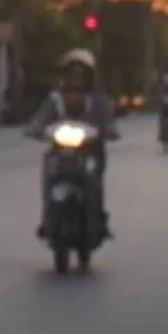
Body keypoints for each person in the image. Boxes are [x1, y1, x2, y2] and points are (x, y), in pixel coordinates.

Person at [27, 48, 117, 239]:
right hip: (60, 150)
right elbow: (41, 117)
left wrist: (109, 130)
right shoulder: (55, 99)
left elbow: (108, 120)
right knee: (48, 175)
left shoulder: (97, 100)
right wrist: (35, 128)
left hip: (90, 150)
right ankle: (48, 219)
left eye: (80, 75)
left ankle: (97, 217)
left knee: (95, 182)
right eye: (71, 74)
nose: (76, 79)